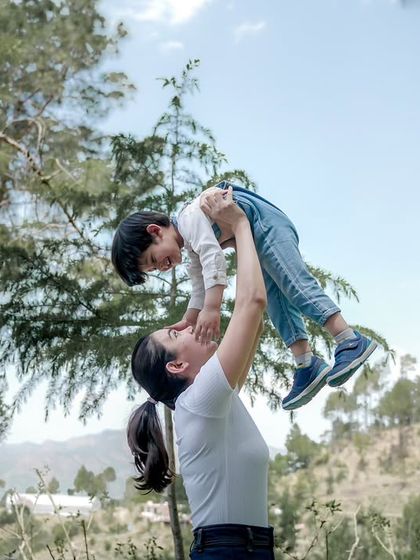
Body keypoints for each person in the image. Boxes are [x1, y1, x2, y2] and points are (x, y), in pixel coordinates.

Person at [112, 182, 377, 410]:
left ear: (155, 231)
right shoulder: (189, 243)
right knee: (277, 305)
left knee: (294, 283)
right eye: (155, 269)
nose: (162, 267)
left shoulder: (190, 218)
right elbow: (199, 283)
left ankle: (348, 339)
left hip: (266, 226)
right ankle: (306, 363)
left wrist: (212, 309)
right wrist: (189, 318)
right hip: (254, 238)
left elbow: (214, 259)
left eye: (153, 260)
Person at [128, 190, 274, 558]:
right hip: (230, 549)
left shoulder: (213, 401)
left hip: (243, 547)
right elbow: (250, 304)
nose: (188, 326)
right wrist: (240, 223)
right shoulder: (199, 402)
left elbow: (255, 315)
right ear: (176, 366)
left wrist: (232, 242)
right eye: (176, 334)